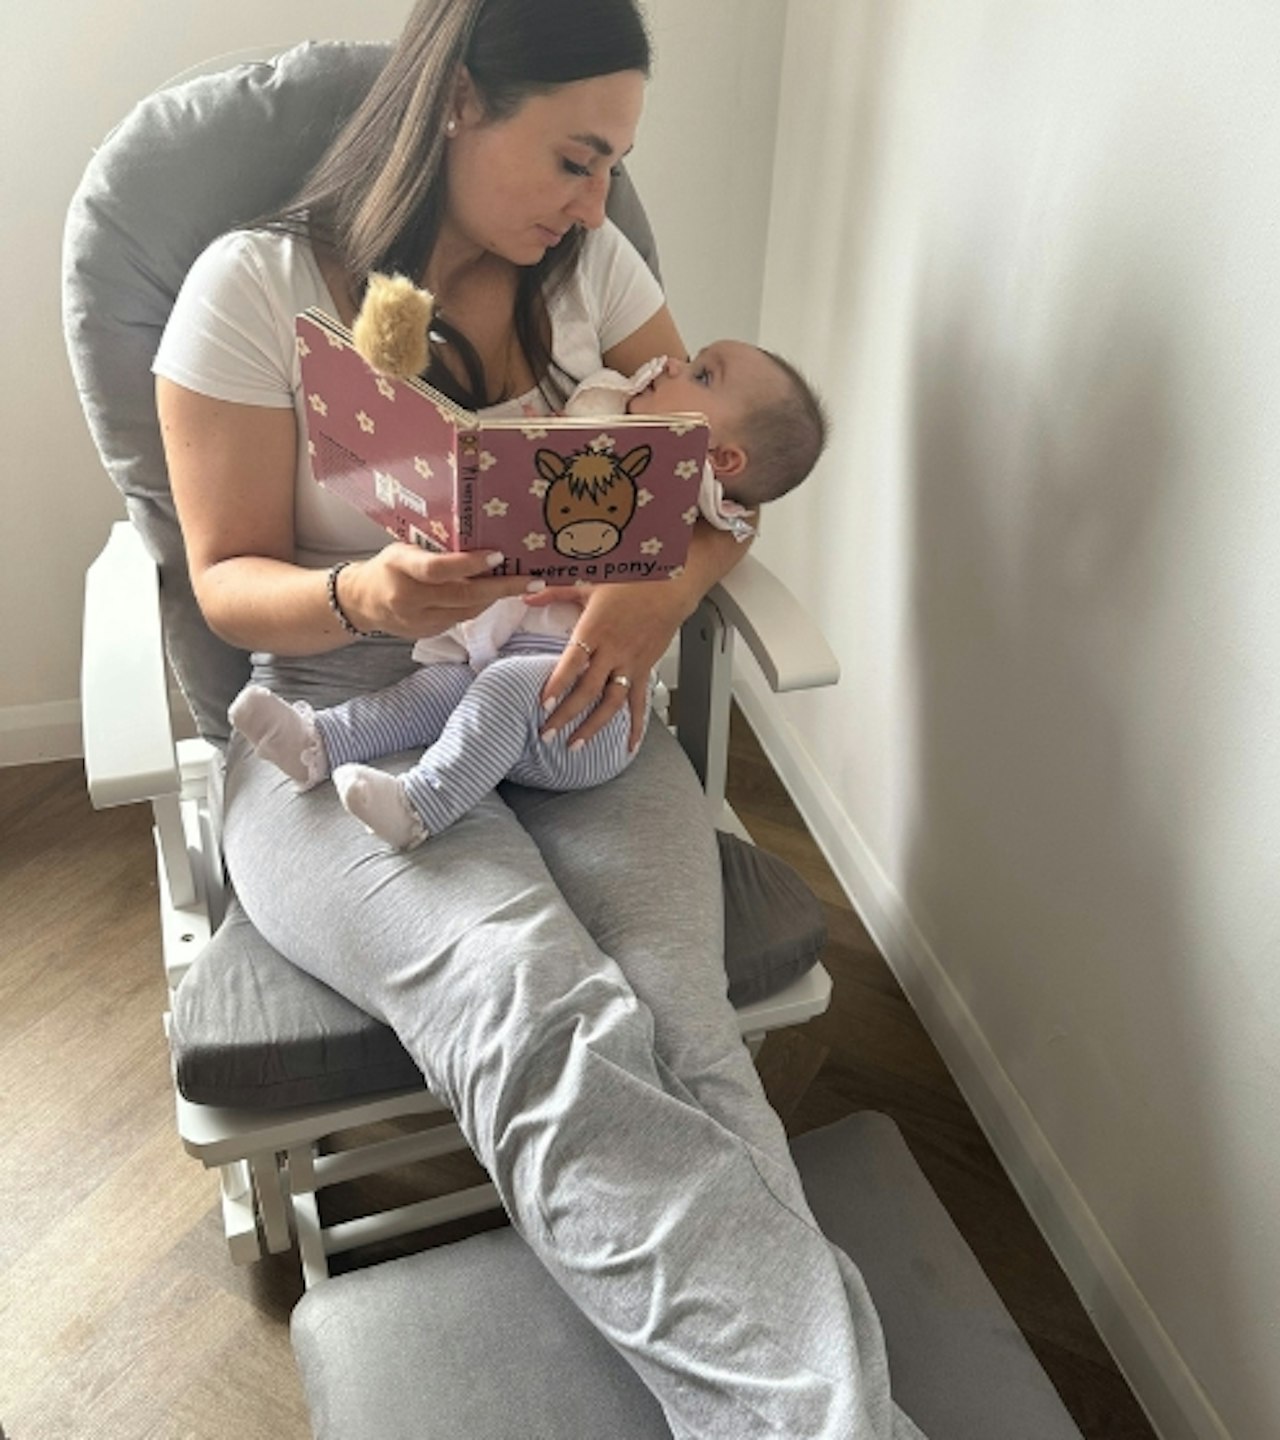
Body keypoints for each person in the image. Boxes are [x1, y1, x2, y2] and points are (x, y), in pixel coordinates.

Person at [154, 1, 924, 1434]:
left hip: (577, 694)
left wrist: (656, 602)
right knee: (534, 1000)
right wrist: (370, 597)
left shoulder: (595, 270)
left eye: (614, 165)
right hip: (342, 725)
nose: (598, 199)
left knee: (685, 1026)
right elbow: (223, 585)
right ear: (457, 102)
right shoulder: (252, 291)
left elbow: (724, 485)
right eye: (575, 159)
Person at [226, 344, 826, 851]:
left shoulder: (699, 487)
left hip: (589, 721)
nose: (668, 363)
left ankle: (419, 807)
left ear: (721, 458)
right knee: (436, 689)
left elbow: (740, 521)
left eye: (700, 375)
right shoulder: (618, 425)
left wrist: (660, 588)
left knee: (500, 689)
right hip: (517, 675)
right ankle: (320, 741)